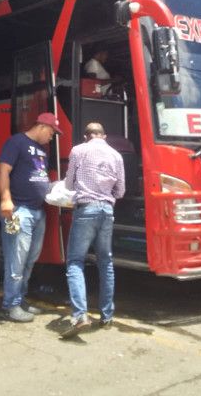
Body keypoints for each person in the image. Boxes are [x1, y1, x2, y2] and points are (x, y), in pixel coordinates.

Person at [62, 122, 125, 337]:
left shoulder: (78, 150)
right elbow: (121, 191)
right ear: (104, 136)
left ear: (86, 136)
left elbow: (69, 185)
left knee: (75, 262)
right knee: (105, 262)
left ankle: (80, 316)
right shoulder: (116, 155)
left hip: (85, 209)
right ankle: (107, 316)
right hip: (107, 211)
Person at [0, 112, 62, 322]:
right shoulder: (16, 142)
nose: (52, 137)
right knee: (16, 261)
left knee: (29, 260)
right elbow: (4, 171)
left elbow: (38, 177)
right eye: (52, 132)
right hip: (18, 211)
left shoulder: (42, 150)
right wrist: (6, 199)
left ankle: (20, 299)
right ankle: (11, 305)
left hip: (37, 212)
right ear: (43, 126)